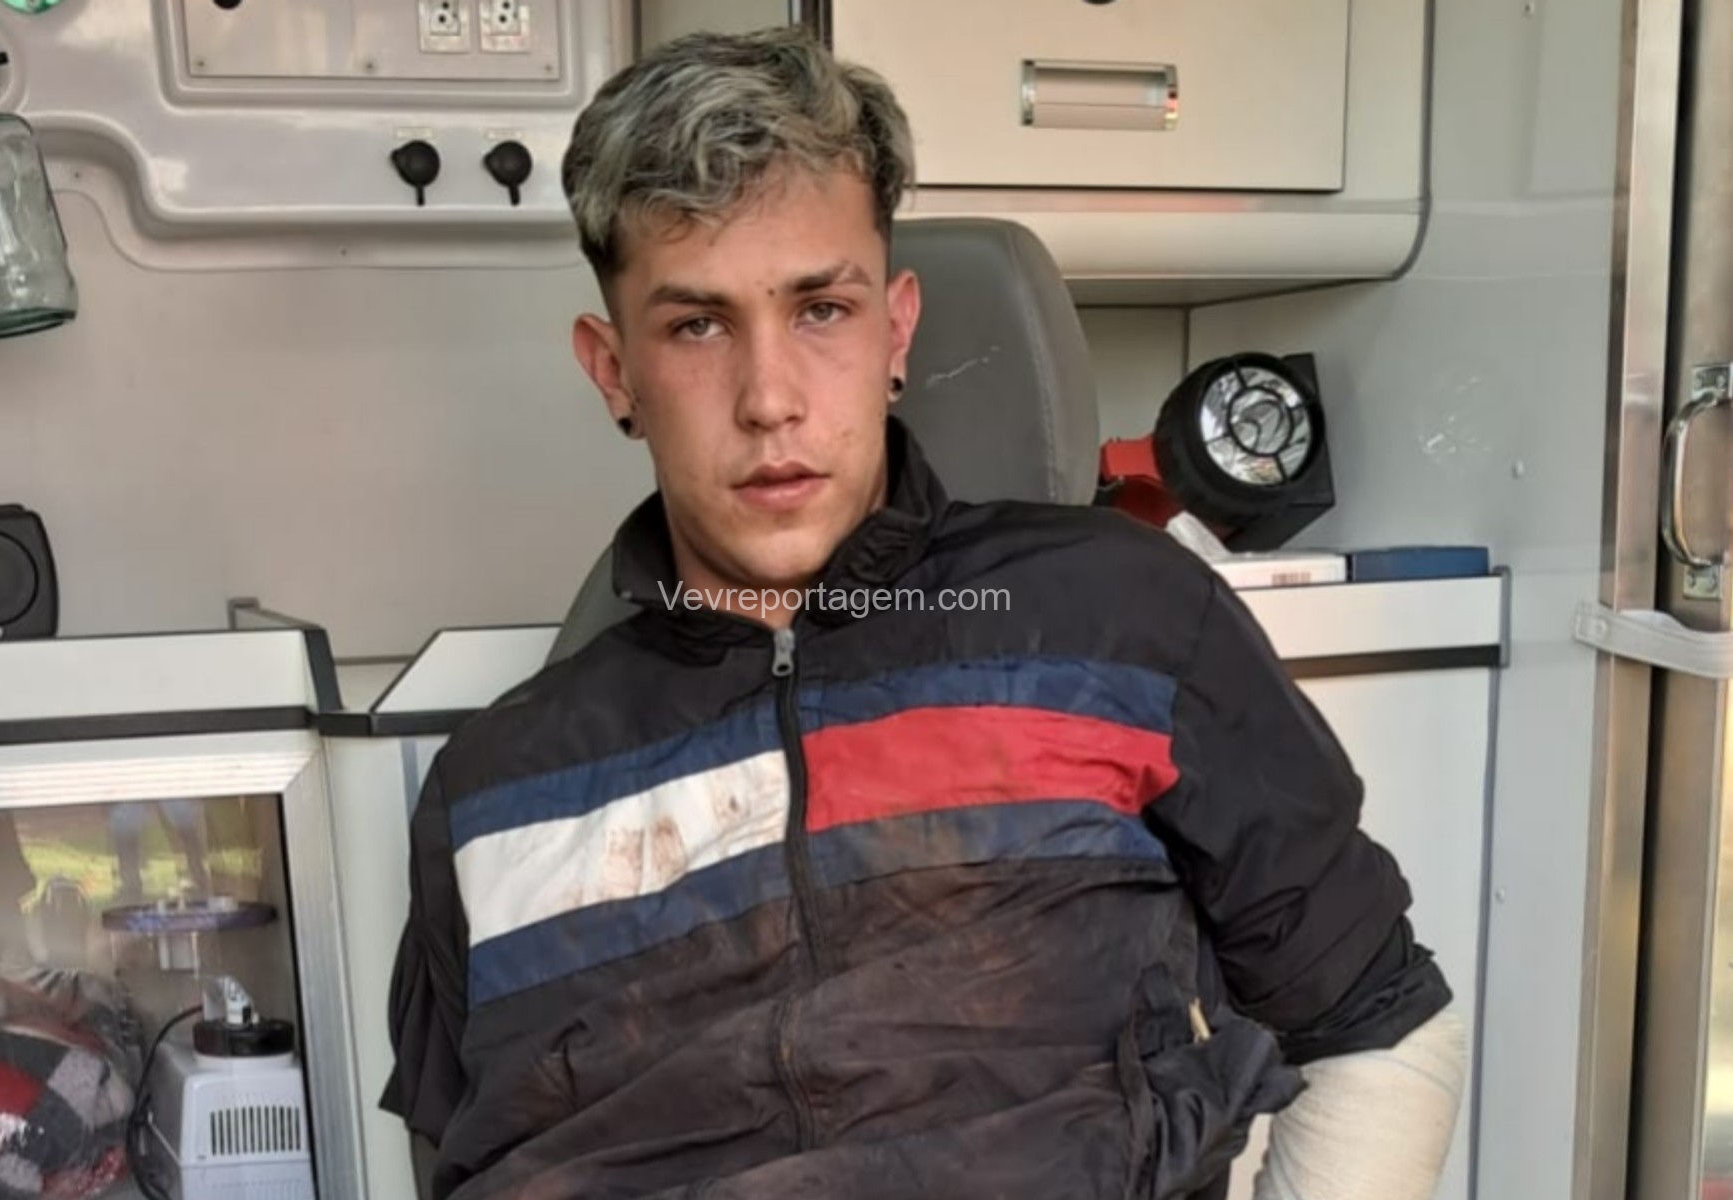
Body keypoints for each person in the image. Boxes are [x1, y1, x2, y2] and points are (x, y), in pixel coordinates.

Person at [382, 26, 1467, 1200]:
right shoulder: (492, 795)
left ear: (895, 331)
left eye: (820, 310)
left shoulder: (1124, 621)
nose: (769, 400)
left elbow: (1378, 1022)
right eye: (697, 325)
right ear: (614, 372)